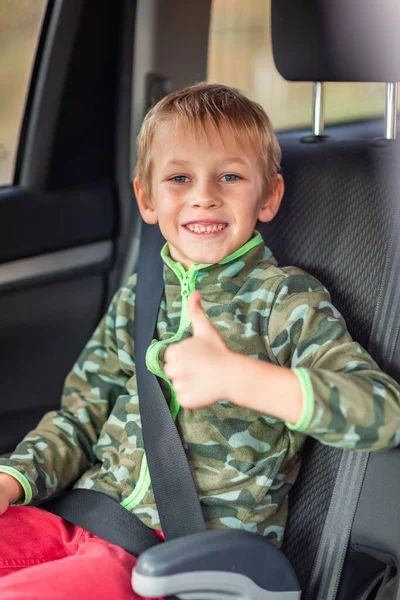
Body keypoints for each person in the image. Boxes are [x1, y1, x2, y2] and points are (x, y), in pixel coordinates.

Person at [0, 82, 399, 599]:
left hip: (181, 558)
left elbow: (382, 411)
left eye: (230, 176)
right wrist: (14, 479)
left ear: (269, 196)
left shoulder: (284, 299)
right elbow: (80, 418)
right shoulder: (140, 297)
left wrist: (243, 377)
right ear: (147, 197)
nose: (204, 195)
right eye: (179, 177)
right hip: (83, 516)